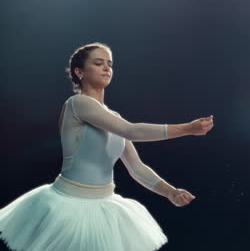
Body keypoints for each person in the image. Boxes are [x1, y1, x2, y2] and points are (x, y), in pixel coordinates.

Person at [0, 42, 215, 251]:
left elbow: (136, 168)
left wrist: (170, 192)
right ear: (79, 72)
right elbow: (133, 131)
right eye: (98, 63)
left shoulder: (114, 117)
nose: (106, 68)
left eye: (109, 64)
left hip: (105, 204)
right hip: (68, 205)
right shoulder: (78, 104)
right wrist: (188, 128)